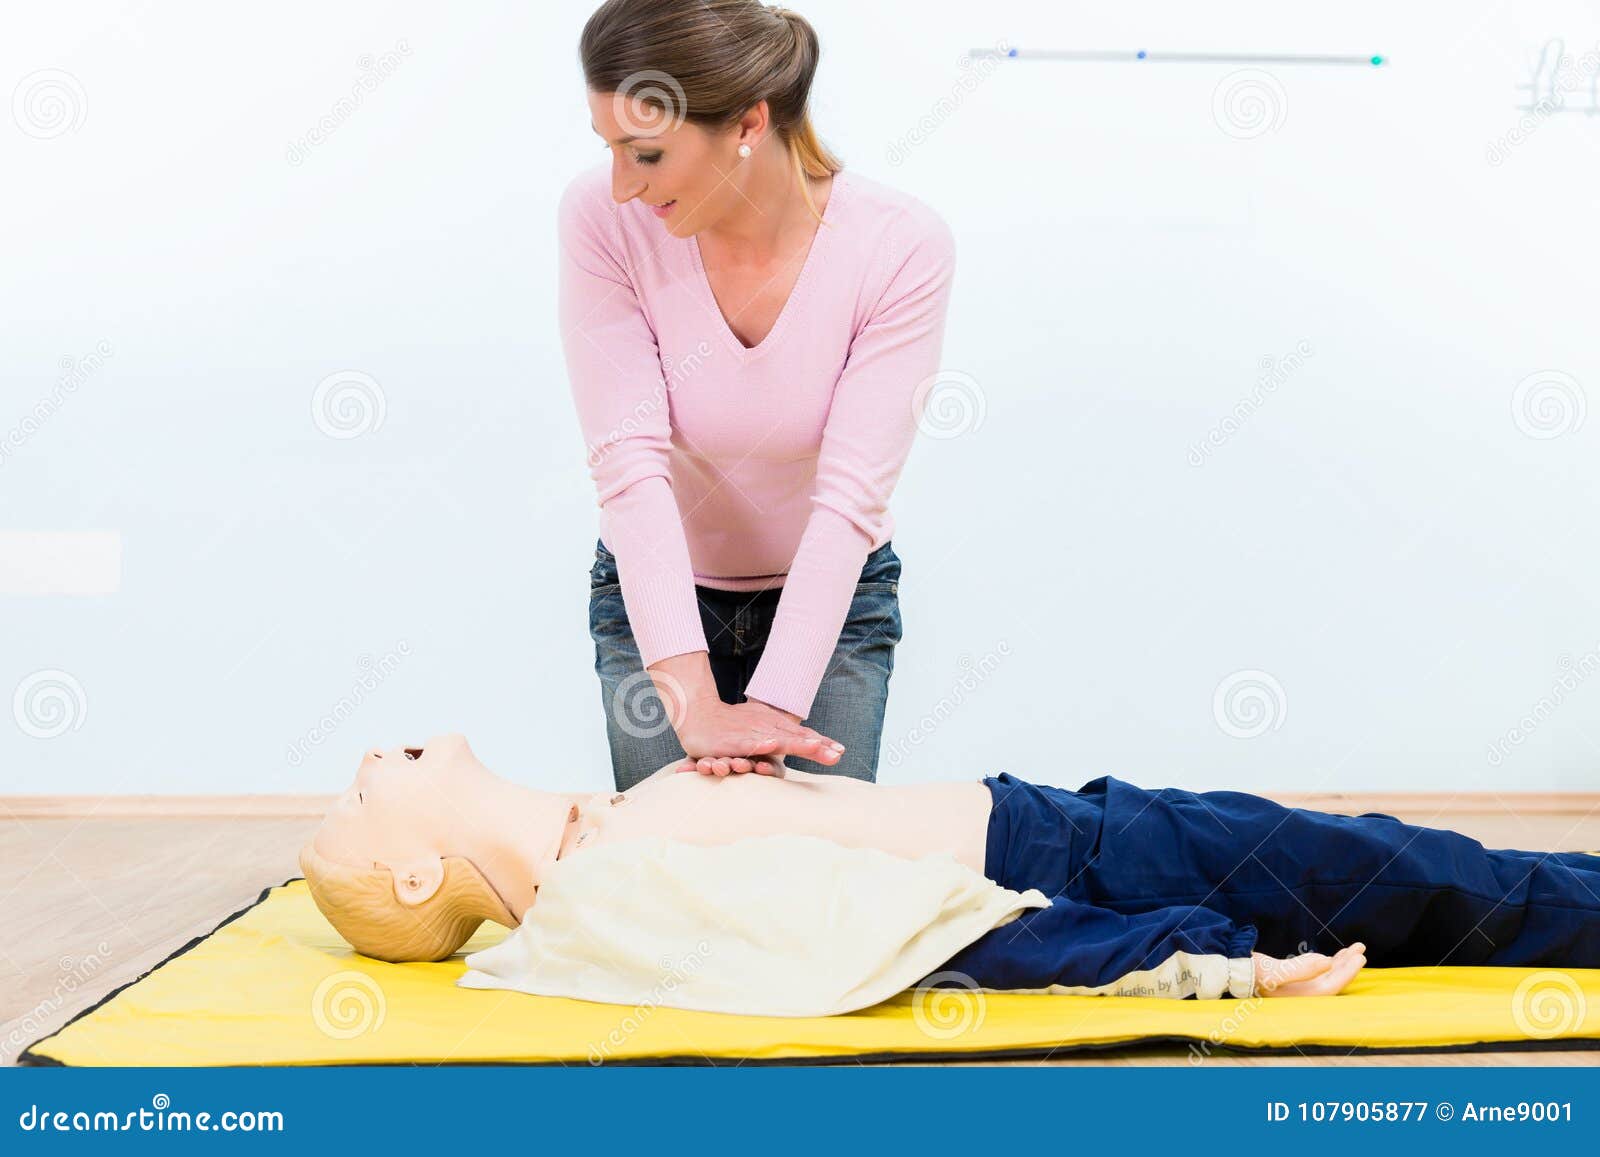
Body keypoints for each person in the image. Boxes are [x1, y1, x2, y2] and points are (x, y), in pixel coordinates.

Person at [299, 734, 1600, 1000]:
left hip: (1065, 817)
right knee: (1441, 882)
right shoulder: (617, 888)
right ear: (421, 880)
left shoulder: (611, 834)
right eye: (369, 793)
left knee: (1433, 873)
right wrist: (1193, 960)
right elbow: (915, 932)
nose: (369, 754)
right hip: (1080, 853)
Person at [561, 0, 957, 790]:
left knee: (810, 883)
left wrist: (771, 709)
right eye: (608, 149)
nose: (620, 187)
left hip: (834, 605)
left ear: (746, 124)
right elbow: (629, 466)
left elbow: (849, 501)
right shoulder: (602, 223)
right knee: (674, 883)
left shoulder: (899, 245)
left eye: (645, 154)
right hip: (658, 601)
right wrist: (693, 702)